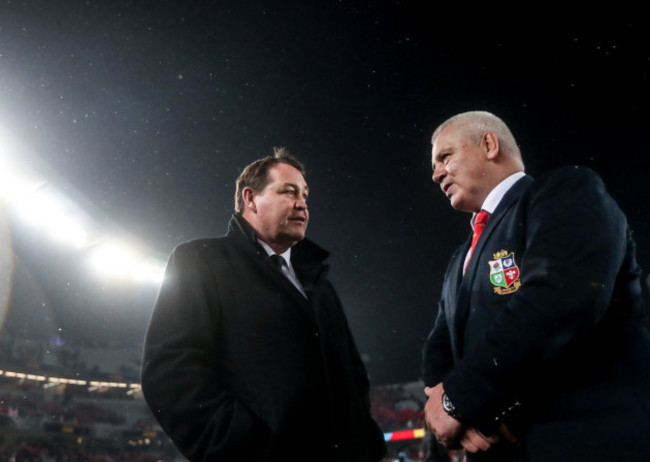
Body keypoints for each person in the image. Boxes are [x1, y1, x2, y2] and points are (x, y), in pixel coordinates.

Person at [421, 111, 650, 462]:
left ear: (489, 144)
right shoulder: (460, 258)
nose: (436, 173)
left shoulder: (565, 191)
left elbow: (559, 299)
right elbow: (439, 347)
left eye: (445, 156)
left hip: (586, 440)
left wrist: (461, 399)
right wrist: (463, 412)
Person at [141, 148, 386, 461]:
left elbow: (353, 376)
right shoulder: (201, 261)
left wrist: (365, 443)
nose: (302, 204)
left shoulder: (320, 285)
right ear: (250, 198)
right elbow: (170, 370)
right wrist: (241, 447)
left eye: (305, 195)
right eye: (288, 192)